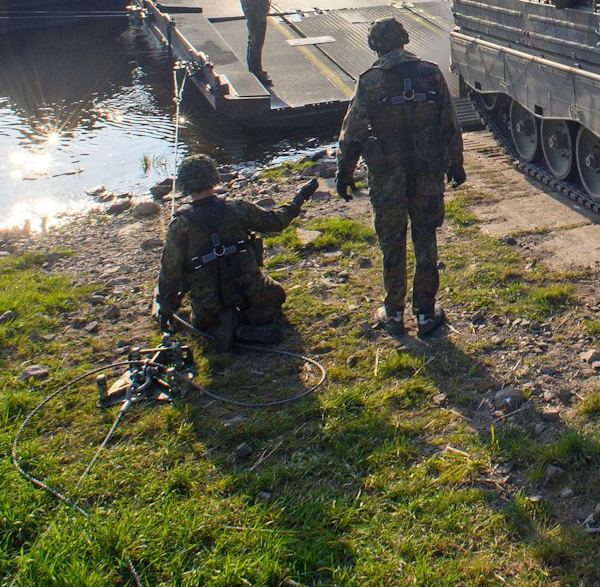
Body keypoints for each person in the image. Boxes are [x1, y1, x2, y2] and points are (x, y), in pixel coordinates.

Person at [336, 17, 464, 338]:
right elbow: (450, 124)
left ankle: (393, 312)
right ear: (405, 38)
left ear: (374, 45)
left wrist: (344, 172)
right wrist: (456, 163)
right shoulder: (431, 73)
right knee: (426, 243)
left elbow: (352, 133)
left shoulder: (370, 82)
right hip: (427, 175)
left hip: (388, 179)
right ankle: (425, 313)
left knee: (392, 245)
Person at [154, 155, 317, 348]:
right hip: (251, 292)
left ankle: (226, 326)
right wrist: (300, 196)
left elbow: (169, 273)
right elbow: (277, 222)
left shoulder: (179, 226)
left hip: (209, 305)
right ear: (214, 178)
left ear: (184, 185)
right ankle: (250, 321)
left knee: (200, 321)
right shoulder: (237, 208)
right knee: (277, 295)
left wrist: (165, 309)